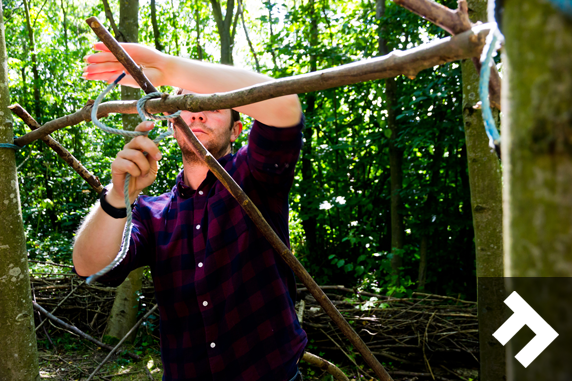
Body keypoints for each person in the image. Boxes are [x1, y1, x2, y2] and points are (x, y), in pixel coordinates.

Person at [73, 43, 307, 381]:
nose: (196, 111)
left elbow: (284, 105)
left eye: (212, 102)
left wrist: (166, 68)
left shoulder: (255, 178)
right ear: (171, 124)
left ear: (237, 130)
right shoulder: (152, 213)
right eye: (185, 102)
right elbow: (89, 266)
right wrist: (119, 195)